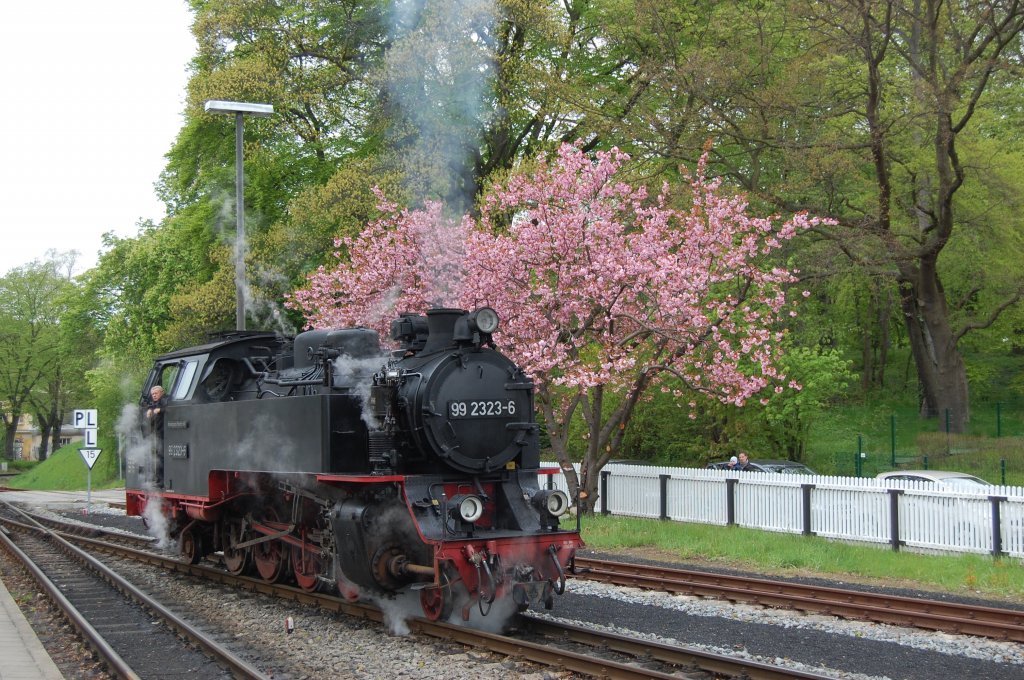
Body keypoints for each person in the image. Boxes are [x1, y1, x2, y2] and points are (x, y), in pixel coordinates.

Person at [143, 385, 167, 485]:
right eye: (153, 394)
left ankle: (161, 480)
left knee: (161, 457)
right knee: (157, 457)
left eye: (156, 393)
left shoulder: (165, 400)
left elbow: (169, 408)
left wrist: (160, 410)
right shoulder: (155, 403)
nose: (154, 395)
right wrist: (149, 410)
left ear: (161, 392)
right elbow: (152, 406)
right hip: (157, 435)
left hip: (164, 434)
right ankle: (157, 479)